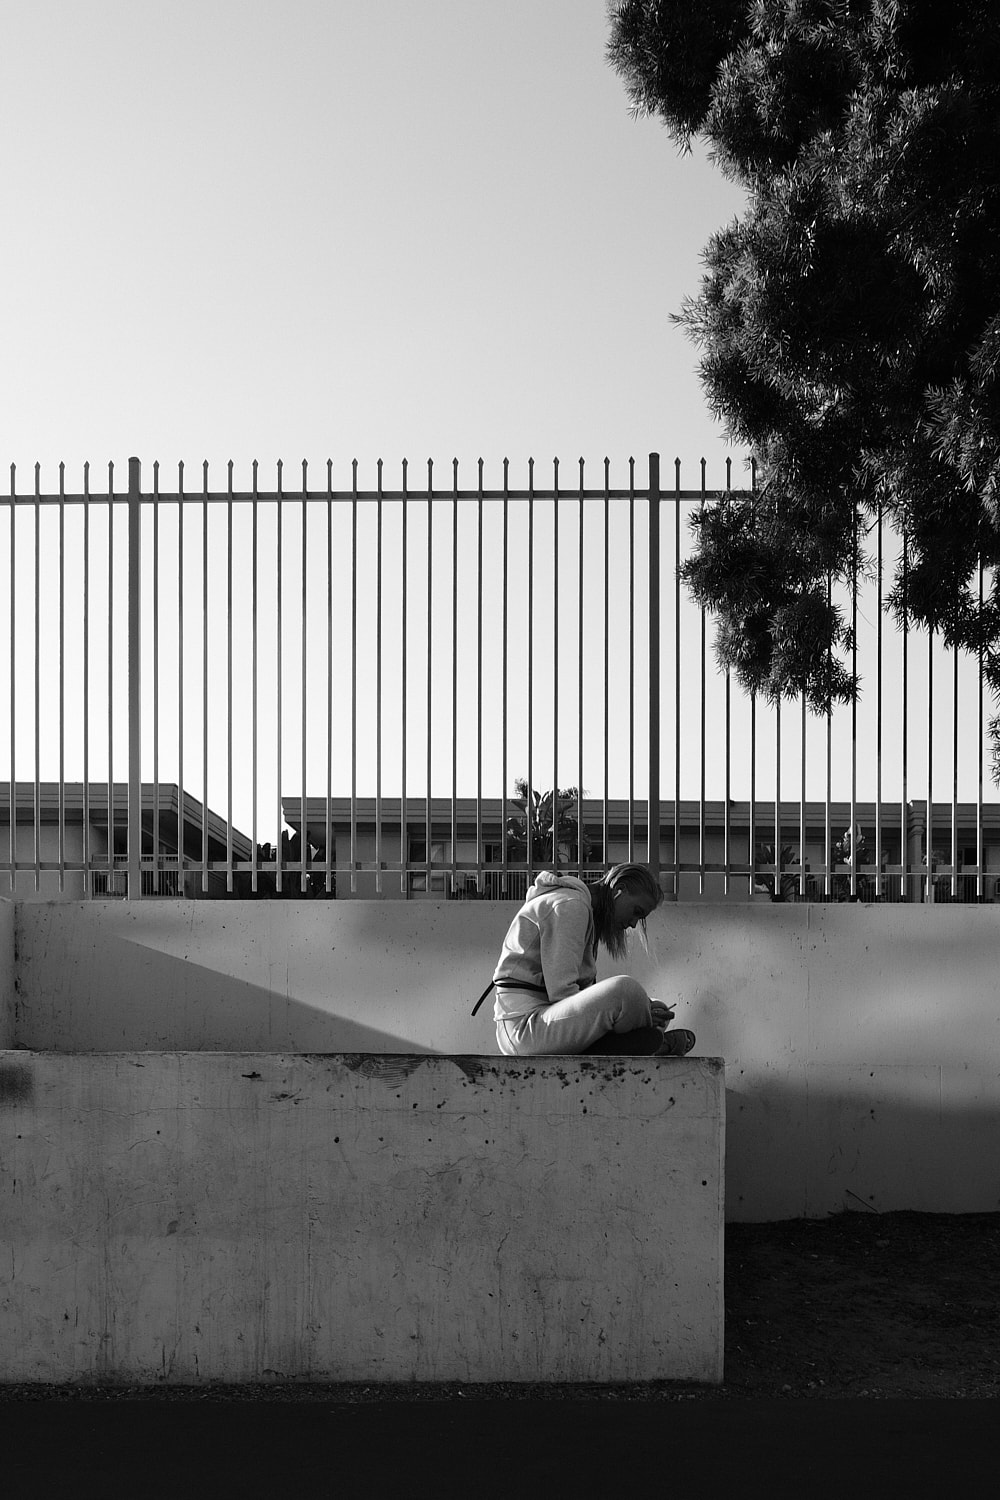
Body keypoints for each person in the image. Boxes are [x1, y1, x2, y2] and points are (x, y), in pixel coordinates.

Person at [490, 862, 696, 1057]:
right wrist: (631, 1011)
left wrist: (647, 1010)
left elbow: (577, 999)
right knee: (627, 991)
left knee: (652, 1006)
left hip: (546, 1022)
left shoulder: (583, 908)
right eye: (636, 912)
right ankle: (638, 1045)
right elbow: (562, 994)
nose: (633, 924)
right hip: (525, 1030)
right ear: (619, 890)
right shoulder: (571, 906)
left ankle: (624, 1045)